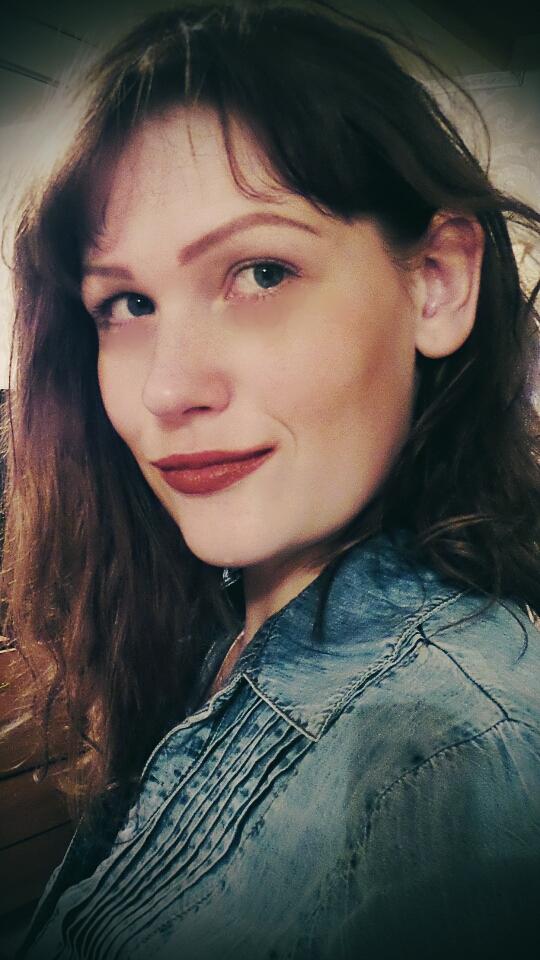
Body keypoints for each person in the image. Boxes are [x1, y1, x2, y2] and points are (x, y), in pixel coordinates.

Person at [2, 2, 539, 958]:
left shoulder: (451, 757)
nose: (168, 390)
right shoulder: (208, 621)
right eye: (127, 303)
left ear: (437, 281)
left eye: (259, 273)